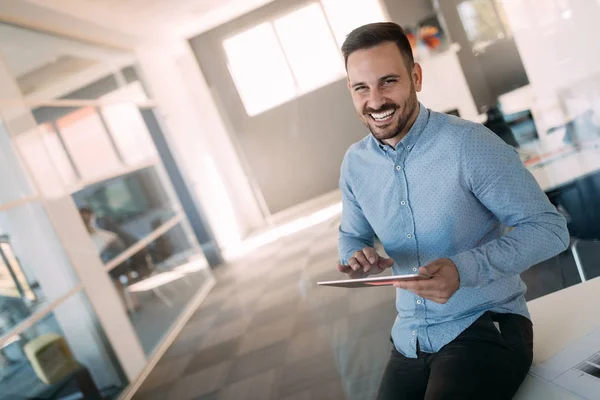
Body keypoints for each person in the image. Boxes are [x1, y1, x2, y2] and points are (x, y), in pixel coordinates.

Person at [336, 22, 569, 400]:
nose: (375, 101)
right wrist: (355, 254)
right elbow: (352, 233)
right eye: (362, 87)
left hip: (486, 324)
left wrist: (464, 270)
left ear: (416, 77)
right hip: (409, 336)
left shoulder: (469, 144)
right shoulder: (354, 164)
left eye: (388, 82)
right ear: (351, 90)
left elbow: (549, 228)